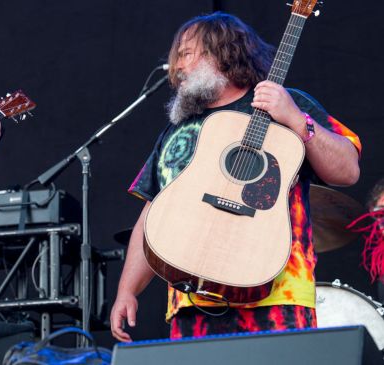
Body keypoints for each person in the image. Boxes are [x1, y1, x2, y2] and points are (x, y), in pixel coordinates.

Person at [110, 12, 361, 341]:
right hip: (191, 298)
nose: (177, 68)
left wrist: (297, 120)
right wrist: (127, 290)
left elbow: (348, 170)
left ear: (222, 52)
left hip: (276, 294)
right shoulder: (177, 131)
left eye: (185, 54)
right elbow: (153, 211)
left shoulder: (289, 104)